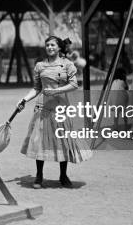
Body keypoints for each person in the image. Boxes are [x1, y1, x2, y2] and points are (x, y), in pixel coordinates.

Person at [17, 36, 92, 189]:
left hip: (61, 109)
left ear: (59, 48)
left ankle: (63, 175)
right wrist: (24, 100)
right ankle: (39, 176)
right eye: (47, 45)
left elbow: (74, 84)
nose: (49, 47)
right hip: (42, 108)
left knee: (62, 142)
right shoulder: (40, 66)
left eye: (52, 45)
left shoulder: (67, 64)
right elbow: (37, 88)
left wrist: (57, 90)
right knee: (39, 141)